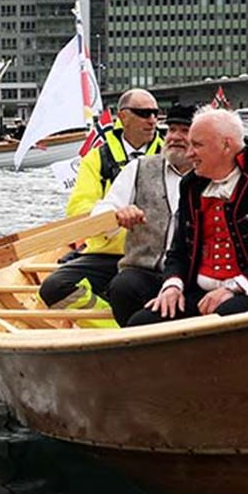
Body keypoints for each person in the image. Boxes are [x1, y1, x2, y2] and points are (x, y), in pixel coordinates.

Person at [129, 109, 248, 326]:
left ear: (226, 145)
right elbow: (179, 250)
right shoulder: (191, 184)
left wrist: (234, 287)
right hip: (202, 294)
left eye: (197, 145)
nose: (189, 154)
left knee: (226, 316)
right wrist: (173, 286)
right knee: (141, 321)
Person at [37, 88, 164, 321]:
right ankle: (109, 329)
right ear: (123, 116)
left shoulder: (168, 155)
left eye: (156, 113)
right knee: (54, 288)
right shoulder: (97, 158)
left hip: (154, 256)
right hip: (108, 252)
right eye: (144, 113)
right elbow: (80, 208)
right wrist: (114, 219)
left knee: (125, 287)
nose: (152, 120)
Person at [91, 103, 195, 326]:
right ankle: (136, 343)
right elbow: (100, 212)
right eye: (172, 130)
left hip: (190, 275)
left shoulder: (210, 172)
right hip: (144, 270)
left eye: (185, 131)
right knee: (122, 287)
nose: (175, 137)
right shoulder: (139, 168)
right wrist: (118, 214)